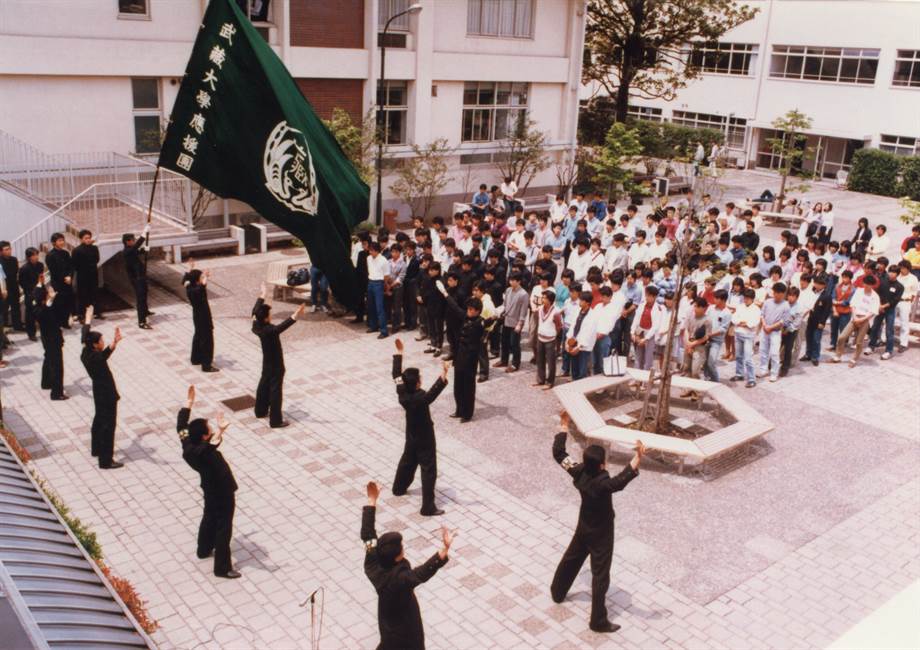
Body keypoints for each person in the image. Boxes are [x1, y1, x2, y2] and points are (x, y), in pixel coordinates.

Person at [551, 411, 645, 634]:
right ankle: (598, 621)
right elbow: (621, 480)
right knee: (600, 575)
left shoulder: (578, 472)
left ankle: (557, 591)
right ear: (602, 464)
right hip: (602, 533)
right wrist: (638, 456)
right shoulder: (603, 484)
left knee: (571, 559)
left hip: (583, 527)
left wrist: (563, 426)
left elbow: (558, 453)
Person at [361, 481, 453, 650]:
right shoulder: (399, 578)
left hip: (388, 629)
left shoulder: (374, 565)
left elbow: (368, 535)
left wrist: (371, 501)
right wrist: (443, 551)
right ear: (398, 557)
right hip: (407, 633)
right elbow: (420, 574)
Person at [177, 385, 239, 579]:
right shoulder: (203, 451)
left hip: (209, 489)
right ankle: (222, 567)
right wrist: (221, 431)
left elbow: (180, 425)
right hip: (222, 491)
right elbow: (211, 446)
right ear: (204, 436)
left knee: (209, 516)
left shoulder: (187, 444)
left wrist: (189, 403)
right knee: (224, 526)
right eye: (209, 430)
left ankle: (203, 549)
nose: (211, 431)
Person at [391, 338, 449, 516]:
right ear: (417, 383)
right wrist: (443, 376)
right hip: (425, 437)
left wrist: (399, 354)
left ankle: (399, 488)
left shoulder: (403, 394)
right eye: (420, 378)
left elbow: (396, 376)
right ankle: (427, 506)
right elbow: (432, 394)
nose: (421, 379)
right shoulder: (421, 397)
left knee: (408, 460)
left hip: (411, 435)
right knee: (428, 469)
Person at [251, 283, 305, 428]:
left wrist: (263, 294)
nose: (271, 315)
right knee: (276, 391)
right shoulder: (270, 330)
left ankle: (260, 410)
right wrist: (296, 315)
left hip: (266, 363)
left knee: (263, 385)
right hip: (276, 365)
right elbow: (283, 326)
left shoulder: (256, 326)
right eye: (270, 315)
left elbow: (255, 311)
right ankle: (275, 420)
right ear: (267, 318)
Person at [81, 306, 123, 469]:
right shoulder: (95, 358)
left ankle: (96, 449)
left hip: (99, 392)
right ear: (94, 345)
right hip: (106, 394)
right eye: (101, 341)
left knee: (99, 421)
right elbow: (101, 357)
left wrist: (88, 319)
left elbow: (86, 338)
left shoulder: (86, 353)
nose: (102, 342)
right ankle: (106, 460)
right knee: (108, 426)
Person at [441, 289, 484, 423]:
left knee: (468, 388)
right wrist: (445, 294)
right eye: (468, 309)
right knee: (458, 386)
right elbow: (455, 308)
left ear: (477, 311)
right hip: (460, 357)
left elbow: (484, 324)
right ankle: (459, 409)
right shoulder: (467, 316)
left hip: (470, 360)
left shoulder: (479, 323)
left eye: (472, 309)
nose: (469, 311)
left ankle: (467, 413)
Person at [832, 274, 879, 367]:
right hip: (855, 317)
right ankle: (838, 356)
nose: (866, 286)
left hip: (865, 319)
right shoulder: (859, 291)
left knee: (859, 341)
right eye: (865, 284)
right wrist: (855, 317)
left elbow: (873, 312)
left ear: (872, 285)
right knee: (842, 337)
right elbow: (853, 304)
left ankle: (854, 359)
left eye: (869, 284)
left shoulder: (875, 296)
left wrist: (862, 319)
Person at [183, 263, 218, 372]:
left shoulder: (189, 287)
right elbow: (202, 287)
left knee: (198, 336)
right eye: (200, 277)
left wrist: (189, 269)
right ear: (197, 280)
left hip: (196, 316)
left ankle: (195, 358)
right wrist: (206, 277)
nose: (202, 279)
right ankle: (206, 365)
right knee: (207, 340)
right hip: (203, 317)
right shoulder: (197, 291)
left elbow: (185, 279)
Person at [36, 285, 67, 400]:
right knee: (57, 365)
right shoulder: (41, 310)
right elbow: (45, 315)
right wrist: (50, 300)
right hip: (51, 339)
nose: (53, 293)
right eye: (50, 292)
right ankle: (57, 393)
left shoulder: (47, 306)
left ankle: (46, 382)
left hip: (51, 338)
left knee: (48, 358)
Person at [867, 264, 904, 360]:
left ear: (897, 274)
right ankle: (871, 346)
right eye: (890, 271)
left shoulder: (900, 286)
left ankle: (888, 351)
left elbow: (895, 300)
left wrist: (884, 306)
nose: (891, 274)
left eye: (894, 272)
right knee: (875, 327)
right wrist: (879, 305)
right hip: (880, 307)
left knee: (889, 330)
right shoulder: (883, 282)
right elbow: (877, 294)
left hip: (890, 310)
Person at [495, 272, 528, 372]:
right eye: (510, 280)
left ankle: (515, 364)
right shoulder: (508, 290)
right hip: (506, 319)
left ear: (519, 281)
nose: (511, 282)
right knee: (504, 341)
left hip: (516, 322)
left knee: (514, 344)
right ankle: (504, 360)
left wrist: (520, 323)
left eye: (513, 280)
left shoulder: (523, 294)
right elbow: (505, 305)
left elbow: (523, 311)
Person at [757, 283, 789, 382]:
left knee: (774, 353)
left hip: (775, 331)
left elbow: (784, 321)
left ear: (783, 294)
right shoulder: (767, 302)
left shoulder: (786, 305)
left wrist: (770, 327)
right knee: (763, 350)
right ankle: (763, 370)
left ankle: (774, 373)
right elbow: (762, 314)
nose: (776, 295)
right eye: (775, 292)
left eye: (779, 293)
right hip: (764, 329)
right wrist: (764, 325)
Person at [122, 224, 152, 329]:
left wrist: (144, 250)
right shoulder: (126, 251)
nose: (134, 241)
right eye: (133, 240)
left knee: (145, 293)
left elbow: (137, 251)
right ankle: (141, 321)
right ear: (128, 242)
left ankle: (146, 311)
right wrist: (144, 234)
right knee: (140, 298)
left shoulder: (131, 250)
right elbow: (135, 248)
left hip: (141, 276)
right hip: (136, 278)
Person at [730, 288, 760, 388]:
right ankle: (739, 374)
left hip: (748, 335)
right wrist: (741, 322)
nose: (746, 300)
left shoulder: (756, 309)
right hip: (738, 333)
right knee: (738, 356)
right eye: (745, 298)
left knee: (748, 358)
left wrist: (745, 323)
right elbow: (734, 318)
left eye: (748, 298)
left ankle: (751, 379)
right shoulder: (740, 306)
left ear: (752, 299)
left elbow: (754, 322)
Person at [45, 232, 76, 328]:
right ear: (54, 243)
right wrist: (64, 278)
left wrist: (70, 276)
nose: (62, 242)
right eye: (59, 240)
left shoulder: (65, 253)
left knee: (68, 301)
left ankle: (65, 322)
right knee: (59, 303)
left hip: (68, 281)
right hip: (58, 283)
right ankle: (57, 323)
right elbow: (54, 271)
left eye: (63, 240)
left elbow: (71, 266)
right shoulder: (50, 255)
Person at [71, 230, 102, 322]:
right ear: (81, 239)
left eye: (89, 238)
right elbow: (75, 264)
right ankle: (82, 315)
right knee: (83, 295)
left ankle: (97, 312)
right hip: (82, 275)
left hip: (93, 274)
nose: (88, 240)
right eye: (86, 238)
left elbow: (97, 259)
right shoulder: (76, 250)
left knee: (94, 293)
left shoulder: (94, 248)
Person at [534, 289, 562, 388]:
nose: (542, 299)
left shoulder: (556, 312)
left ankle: (550, 382)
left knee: (551, 362)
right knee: (540, 360)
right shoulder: (540, 309)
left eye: (545, 298)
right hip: (540, 338)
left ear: (550, 300)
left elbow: (559, 326)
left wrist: (552, 334)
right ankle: (540, 379)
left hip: (550, 340)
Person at [802, 275, 831, 366]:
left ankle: (815, 357)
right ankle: (808, 354)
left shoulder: (826, 296)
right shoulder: (812, 292)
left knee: (816, 339)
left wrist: (822, 322)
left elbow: (827, 311)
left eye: (819, 284)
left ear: (824, 285)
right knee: (808, 337)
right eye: (815, 283)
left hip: (819, 321)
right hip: (810, 319)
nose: (817, 285)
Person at [17, 247, 43, 342]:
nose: (36, 257)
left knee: (42, 312)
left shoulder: (40, 265)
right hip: (30, 293)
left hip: (40, 292)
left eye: (37, 255)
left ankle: (44, 330)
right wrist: (32, 290)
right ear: (29, 257)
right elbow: (22, 282)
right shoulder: (24, 269)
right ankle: (31, 334)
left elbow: (41, 278)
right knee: (30, 315)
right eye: (34, 255)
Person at [366, 241, 390, 339]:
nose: (370, 253)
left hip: (379, 283)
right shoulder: (368, 258)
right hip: (370, 282)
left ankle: (384, 331)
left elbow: (386, 275)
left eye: (371, 251)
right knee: (370, 306)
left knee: (379, 307)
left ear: (377, 251)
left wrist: (382, 284)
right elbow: (369, 269)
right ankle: (373, 326)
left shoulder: (384, 260)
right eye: (369, 251)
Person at [895, 261, 918, 352]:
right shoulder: (897, 276)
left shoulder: (913, 278)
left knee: (904, 323)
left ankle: (903, 343)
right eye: (900, 268)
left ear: (908, 268)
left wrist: (909, 303)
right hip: (895, 301)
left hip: (905, 302)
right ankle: (883, 339)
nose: (901, 270)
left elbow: (914, 292)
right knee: (888, 320)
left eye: (903, 268)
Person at [0, 241, 23, 332]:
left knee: (16, 307)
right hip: (4, 289)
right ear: (1, 251)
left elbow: (16, 273)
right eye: (6, 249)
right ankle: (4, 329)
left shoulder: (14, 260)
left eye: (10, 249)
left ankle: (18, 326)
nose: (9, 251)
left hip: (14, 287)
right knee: (4, 309)